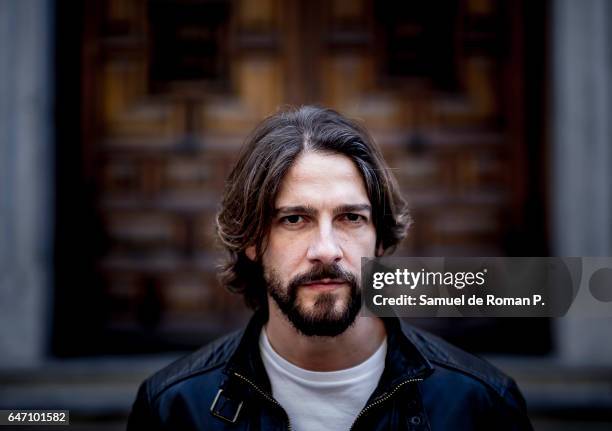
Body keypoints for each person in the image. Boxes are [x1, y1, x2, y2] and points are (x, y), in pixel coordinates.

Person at [127, 106, 533, 430]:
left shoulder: (481, 404)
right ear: (250, 240)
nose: (326, 250)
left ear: (379, 235)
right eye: (294, 219)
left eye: (350, 218)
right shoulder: (173, 408)